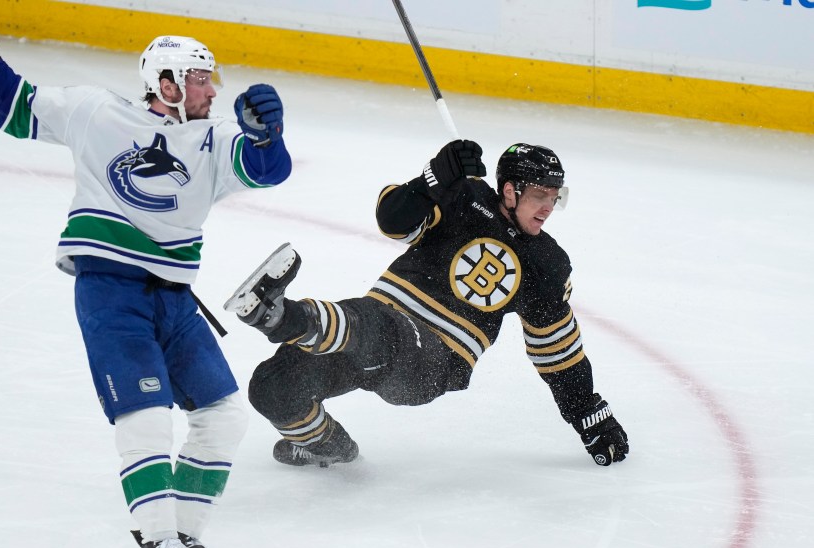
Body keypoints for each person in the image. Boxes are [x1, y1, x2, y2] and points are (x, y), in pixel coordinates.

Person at [0, 5, 292, 548]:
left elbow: (266, 170)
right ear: (166, 83)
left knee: (222, 416)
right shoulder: (96, 112)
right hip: (110, 291)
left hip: (174, 301)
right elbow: (15, 110)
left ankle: (182, 546)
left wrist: (266, 135)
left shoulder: (213, 138)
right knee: (146, 414)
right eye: (200, 78)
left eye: (211, 78)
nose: (212, 89)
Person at [224, 139, 629, 470]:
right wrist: (433, 180)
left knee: (378, 326)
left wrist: (590, 414)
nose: (548, 207)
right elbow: (392, 219)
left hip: (434, 361)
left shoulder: (548, 265)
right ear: (510, 190)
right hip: (364, 334)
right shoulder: (464, 197)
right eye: (540, 195)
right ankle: (334, 450)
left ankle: (279, 316)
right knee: (272, 387)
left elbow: (558, 353)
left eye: (554, 197)